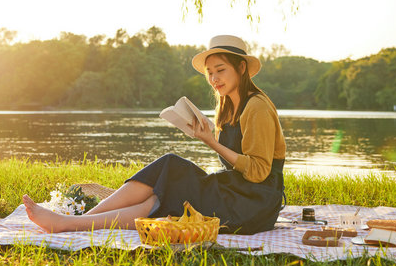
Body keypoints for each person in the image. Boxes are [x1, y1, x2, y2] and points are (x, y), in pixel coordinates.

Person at [23, 35, 286, 235]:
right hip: (237, 191)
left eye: (221, 70)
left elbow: (258, 172)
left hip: (254, 204)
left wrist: (210, 142)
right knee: (168, 174)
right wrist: (205, 136)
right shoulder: (229, 107)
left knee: (171, 180)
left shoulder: (257, 106)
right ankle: (76, 222)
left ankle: (71, 224)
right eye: (210, 73)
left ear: (241, 68)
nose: (214, 78)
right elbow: (235, 165)